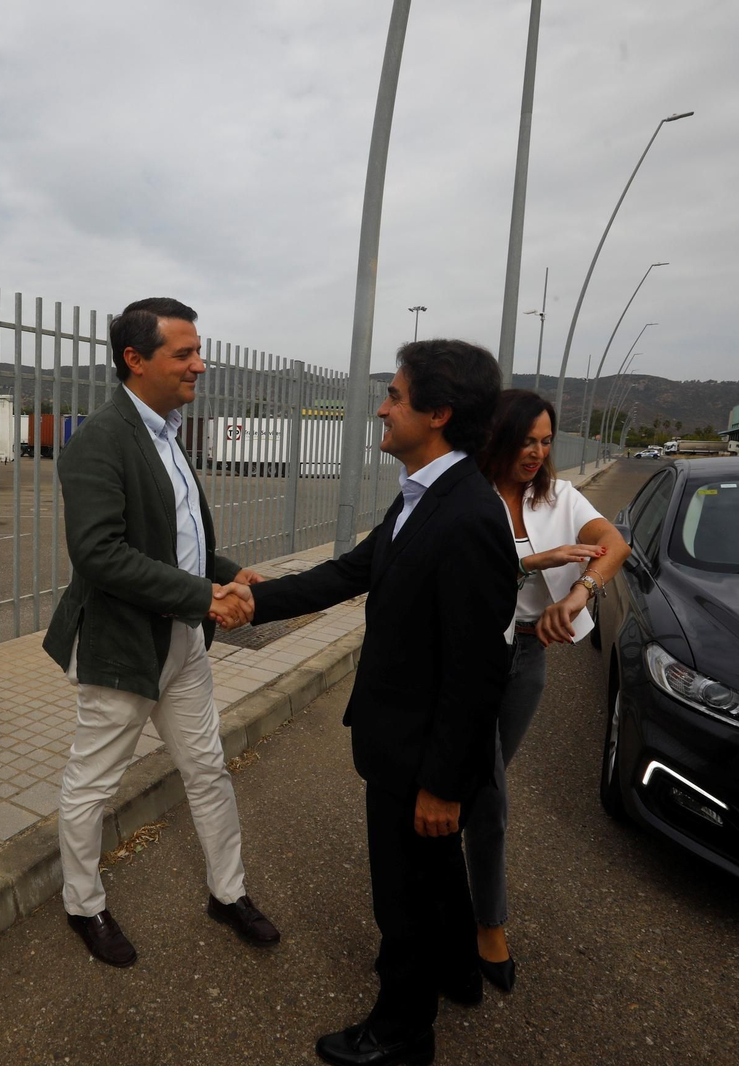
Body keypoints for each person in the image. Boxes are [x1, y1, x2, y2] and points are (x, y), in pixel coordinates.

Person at [225, 338, 515, 1066]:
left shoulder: (467, 518)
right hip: (402, 741)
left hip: (422, 758)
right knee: (436, 874)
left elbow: (479, 671)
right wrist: (252, 601)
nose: (381, 408)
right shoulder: (428, 495)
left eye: (394, 395)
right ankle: (456, 976)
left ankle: (400, 1030)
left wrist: (443, 783)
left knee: (404, 899)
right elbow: (353, 570)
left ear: (438, 413)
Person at [42, 297, 277, 969]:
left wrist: (230, 574)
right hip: (122, 649)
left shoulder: (168, 431)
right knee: (91, 784)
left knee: (207, 770)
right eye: (184, 353)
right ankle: (83, 906)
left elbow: (178, 541)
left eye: (198, 350)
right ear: (135, 360)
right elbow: (100, 553)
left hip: (182, 645)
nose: (199, 365)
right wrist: (206, 595)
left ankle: (227, 894)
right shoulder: (101, 439)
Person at [464, 389, 629, 993]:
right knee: (490, 794)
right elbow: (459, 567)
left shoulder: (558, 496)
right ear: (497, 436)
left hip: (530, 655)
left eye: (546, 440)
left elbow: (613, 543)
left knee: (482, 781)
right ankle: (488, 924)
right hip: (472, 656)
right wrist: (537, 564)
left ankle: (443, 869)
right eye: (526, 439)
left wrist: (580, 591)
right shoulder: (467, 493)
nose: (536, 452)